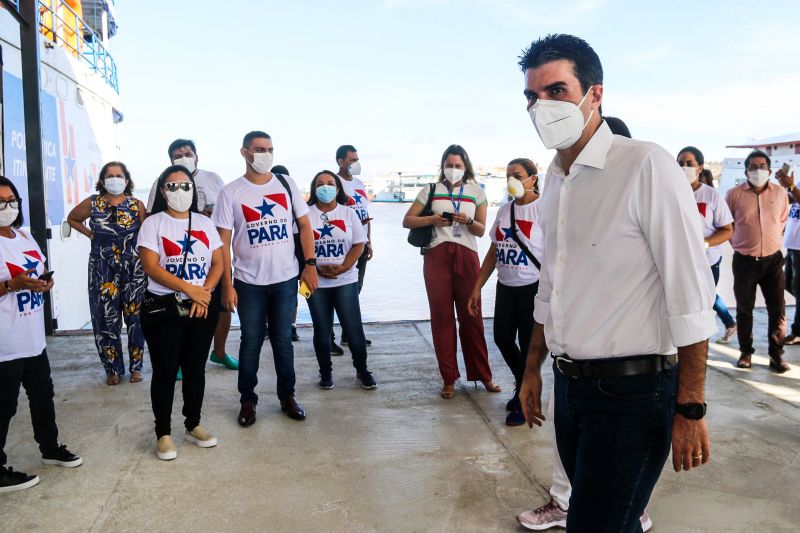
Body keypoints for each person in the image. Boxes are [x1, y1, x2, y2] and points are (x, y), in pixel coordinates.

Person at [517, 34, 715, 532]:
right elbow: (552, 286)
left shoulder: (645, 164)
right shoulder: (557, 178)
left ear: (595, 93)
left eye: (557, 90)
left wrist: (690, 407)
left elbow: (690, 295)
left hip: (633, 392)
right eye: (533, 96)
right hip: (571, 387)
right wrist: (533, 368)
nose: (543, 106)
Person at [212, 131, 318, 426]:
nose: (266, 154)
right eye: (259, 149)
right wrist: (227, 284)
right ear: (244, 152)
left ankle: (288, 396)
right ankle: (248, 400)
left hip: (285, 279)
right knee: (251, 342)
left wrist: (309, 265)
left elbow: (305, 226)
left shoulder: (286, 185)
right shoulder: (231, 192)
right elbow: (222, 242)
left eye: (270, 149)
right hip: (248, 283)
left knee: (283, 341)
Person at [0, 176, 82, 492]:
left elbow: (38, 271)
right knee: (4, 406)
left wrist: (44, 283)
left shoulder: (24, 237)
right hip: (5, 344)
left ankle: (50, 448)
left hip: (33, 338)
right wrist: (10, 285)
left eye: (12, 201)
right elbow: (12, 283)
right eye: (1, 202)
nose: (8, 207)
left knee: (42, 396)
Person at [137, 165, 224, 460]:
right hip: (164, 308)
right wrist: (191, 289)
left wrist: (205, 293)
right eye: (172, 186)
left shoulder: (204, 222)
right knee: (164, 371)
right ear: (163, 192)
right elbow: (151, 267)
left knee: (195, 368)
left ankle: (193, 425)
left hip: (202, 306)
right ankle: (163, 432)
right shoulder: (153, 223)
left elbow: (218, 264)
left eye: (185, 185)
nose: (179, 191)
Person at [402, 144, 500, 399]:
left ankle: (483, 375)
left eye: (458, 165)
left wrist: (467, 220)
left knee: (472, 316)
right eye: (449, 165)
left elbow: (480, 230)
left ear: (465, 166)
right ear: (442, 166)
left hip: (467, 255)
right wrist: (433, 219)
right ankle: (448, 379)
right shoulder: (430, 190)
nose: (453, 169)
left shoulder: (477, 192)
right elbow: (407, 220)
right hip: (437, 255)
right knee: (442, 319)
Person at [146, 139, 237, 376]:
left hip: (211, 251)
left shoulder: (214, 178)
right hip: (178, 260)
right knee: (180, 314)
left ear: (197, 156)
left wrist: (204, 290)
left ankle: (219, 351)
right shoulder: (161, 182)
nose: (184, 157)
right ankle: (177, 361)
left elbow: (228, 211)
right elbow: (153, 213)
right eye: (178, 154)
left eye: (188, 153)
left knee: (220, 307)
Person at [468, 158, 542, 426]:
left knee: (528, 346)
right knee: (501, 338)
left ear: (533, 178)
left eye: (517, 175)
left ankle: (525, 400)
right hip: (506, 287)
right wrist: (477, 287)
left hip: (531, 288)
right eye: (508, 175)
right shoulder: (505, 210)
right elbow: (493, 251)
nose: (512, 180)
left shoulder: (544, 209)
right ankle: (523, 386)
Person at [67, 162, 147, 385]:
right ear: (102, 181)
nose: (114, 179)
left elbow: (148, 232)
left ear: (127, 180)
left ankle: (136, 367)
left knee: (135, 319)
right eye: (109, 175)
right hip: (102, 269)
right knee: (105, 319)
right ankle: (112, 369)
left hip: (133, 268)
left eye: (119, 175)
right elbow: (72, 218)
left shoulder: (136, 204)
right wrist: (90, 234)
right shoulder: (93, 203)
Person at [305, 170, 376, 390]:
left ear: (337, 188)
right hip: (313, 282)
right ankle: (325, 373)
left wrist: (344, 267)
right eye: (320, 183)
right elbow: (299, 248)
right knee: (321, 330)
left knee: (354, 328)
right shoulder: (306, 215)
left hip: (346, 280)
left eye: (329, 183)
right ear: (314, 189)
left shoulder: (348, 213)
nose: (325, 187)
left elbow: (359, 244)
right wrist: (315, 267)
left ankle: (362, 371)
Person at [726, 150, 790, 372]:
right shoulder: (733, 194)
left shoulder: (780, 193)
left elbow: (781, 219)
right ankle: (746, 352)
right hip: (744, 261)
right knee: (745, 309)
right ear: (746, 171)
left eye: (762, 166)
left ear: (770, 171)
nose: (758, 170)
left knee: (778, 309)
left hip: (773, 260)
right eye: (753, 167)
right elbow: (728, 225)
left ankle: (776, 355)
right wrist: (738, 245)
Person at [677, 146, 737, 344]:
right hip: (679, 260)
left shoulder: (711, 195)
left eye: (689, 164)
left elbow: (727, 230)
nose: (684, 167)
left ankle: (702, 345)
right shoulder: (670, 192)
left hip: (707, 261)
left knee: (705, 301)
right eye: (680, 164)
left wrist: (705, 244)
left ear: (700, 168)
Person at [335, 145, 373, 351]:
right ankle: (331, 335)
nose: (355, 163)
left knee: (356, 289)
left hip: (361, 244)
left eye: (357, 159)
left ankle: (349, 334)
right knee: (337, 291)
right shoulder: (334, 183)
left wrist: (369, 240)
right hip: (342, 246)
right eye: (351, 159)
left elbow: (366, 214)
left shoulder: (359, 184)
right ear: (340, 161)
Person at [271, 164, 301, 343]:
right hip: (280, 246)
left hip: (296, 245)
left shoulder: (291, 194)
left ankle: (291, 325)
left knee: (292, 291)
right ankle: (273, 326)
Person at [779, 164, 800, 345]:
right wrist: (786, 186)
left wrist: (792, 186)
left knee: (798, 287)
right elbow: (791, 200)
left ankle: (798, 331)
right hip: (793, 245)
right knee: (787, 283)